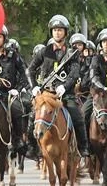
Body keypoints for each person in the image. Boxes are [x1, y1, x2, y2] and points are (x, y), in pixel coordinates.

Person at [27, 15, 90, 157]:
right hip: (46, 94)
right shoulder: (44, 51)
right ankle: (32, 148)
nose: (57, 33)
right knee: (32, 116)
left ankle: (83, 146)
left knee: (77, 116)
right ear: (51, 32)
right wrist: (34, 86)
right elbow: (30, 70)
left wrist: (65, 86)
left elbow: (74, 74)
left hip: (65, 94)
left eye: (60, 30)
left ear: (65, 32)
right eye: (55, 30)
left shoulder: (72, 52)